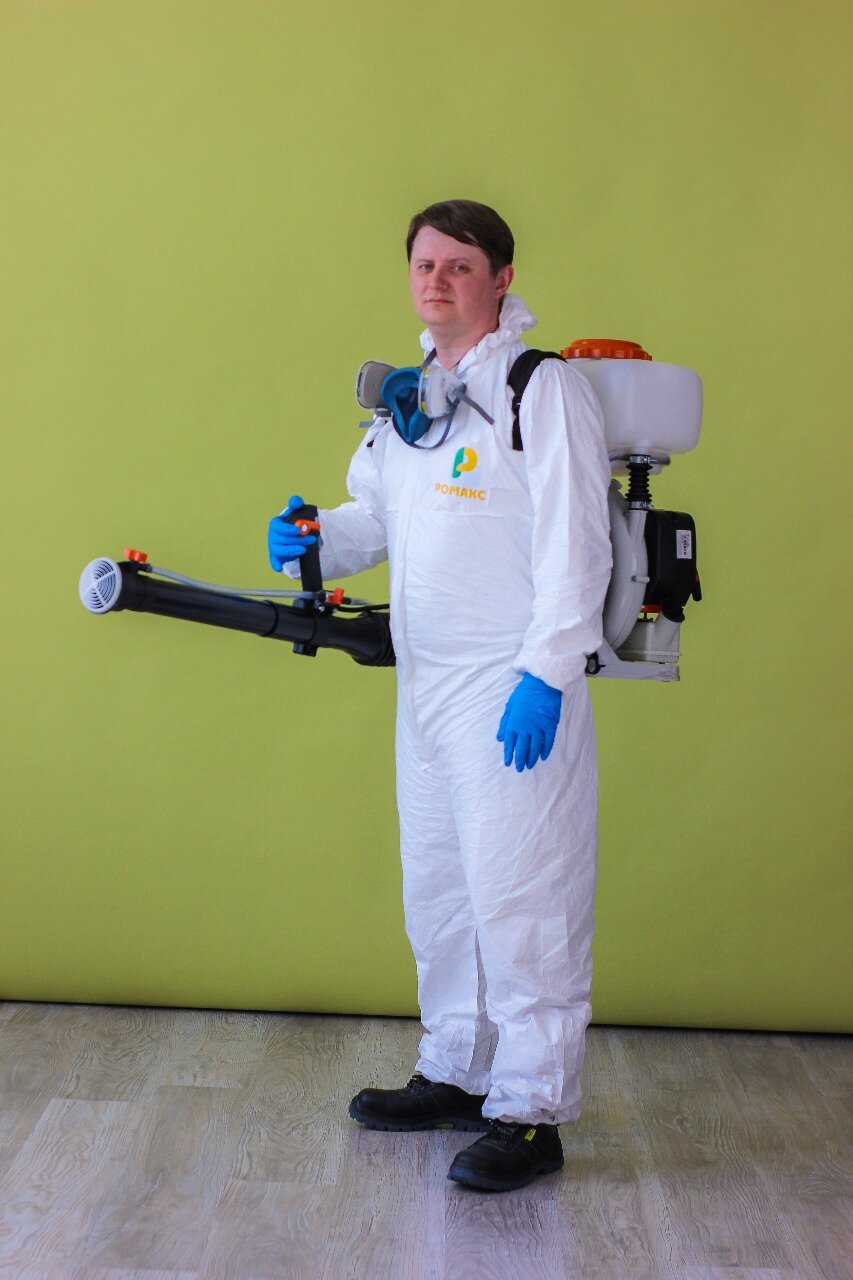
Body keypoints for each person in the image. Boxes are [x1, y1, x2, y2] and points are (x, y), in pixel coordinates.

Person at [267, 200, 612, 1193]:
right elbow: (373, 520)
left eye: (459, 265)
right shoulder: (409, 407)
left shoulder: (539, 388)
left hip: (510, 685)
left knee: (523, 901)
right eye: (424, 264)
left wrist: (546, 673)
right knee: (442, 895)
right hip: (424, 689)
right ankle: (457, 1069)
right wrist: (311, 538)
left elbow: (577, 542)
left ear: (501, 278)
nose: (437, 281)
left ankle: (531, 1111)